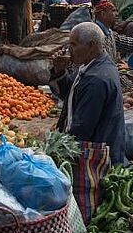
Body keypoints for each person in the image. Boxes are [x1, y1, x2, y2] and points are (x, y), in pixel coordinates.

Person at [50, 22, 126, 164]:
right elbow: (71, 94)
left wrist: (58, 146)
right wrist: (60, 71)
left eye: (74, 45)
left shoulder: (95, 80)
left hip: (97, 156)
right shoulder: (95, 64)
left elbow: (81, 129)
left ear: (91, 46)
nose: (69, 50)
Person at [92, 0, 133, 65]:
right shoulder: (94, 33)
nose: (117, 14)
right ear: (103, 14)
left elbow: (128, 43)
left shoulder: (109, 33)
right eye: (113, 11)